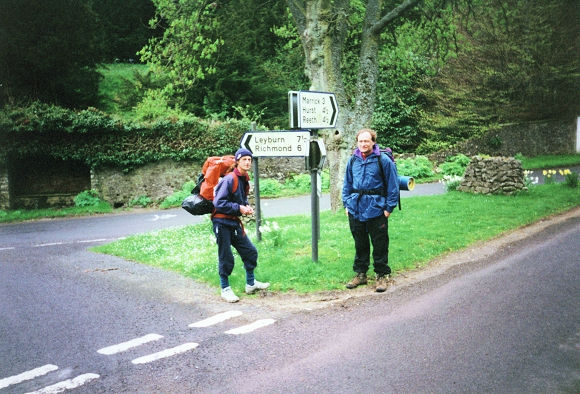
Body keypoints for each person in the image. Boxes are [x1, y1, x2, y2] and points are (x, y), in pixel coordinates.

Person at [342, 129, 399, 292]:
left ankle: (381, 275)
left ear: (373, 142)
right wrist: (347, 204)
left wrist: (388, 208)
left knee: (379, 243)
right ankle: (361, 274)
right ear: (357, 142)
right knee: (360, 242)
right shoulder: (353, 160)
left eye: (366, 141)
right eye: (360, 141)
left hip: (377, 208)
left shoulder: (383, 160)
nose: (363, 144)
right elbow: (347, 184)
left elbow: (393, 186)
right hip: (356, 208)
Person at [212, 148, 270, 302]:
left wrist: (246, 206)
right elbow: (218, 203)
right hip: (221, 222)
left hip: (233, 222)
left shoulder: (244, 179)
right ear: (237, 161)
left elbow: (240, 200)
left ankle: (250, 284)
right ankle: (225, 289)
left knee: (250, 251)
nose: (247, 162)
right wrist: (239, 208)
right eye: (244, 159)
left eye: (249, 159)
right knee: (226, 256)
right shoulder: (230, 179)